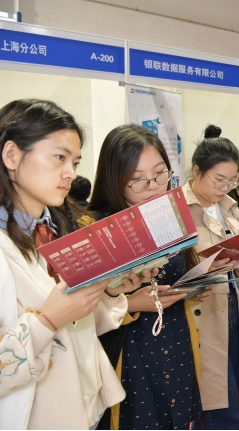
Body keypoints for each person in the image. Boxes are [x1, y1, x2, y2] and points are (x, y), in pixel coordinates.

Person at [0, 99, 147, 429]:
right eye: (59, 157)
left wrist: (110, 292)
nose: (70, 173)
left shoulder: (60, 229)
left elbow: (78, 327)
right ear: (11, 156)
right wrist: (48, 320)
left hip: (84, 405)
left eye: (75, 162)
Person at [89, 124, 205, 430]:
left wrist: (195, 286)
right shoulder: (96, 229)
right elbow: (82, 312)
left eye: (160, 173)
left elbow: (179, 271)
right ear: (115, 179)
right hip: (129, 348)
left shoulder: (169, 214)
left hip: (176, 336)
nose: (153, 186)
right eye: (138, 179)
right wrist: (129, 303)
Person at [183, 125, 239, 430]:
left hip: (233, 307)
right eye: (219, 180)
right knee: (217, 407)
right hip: (201, 314)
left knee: (228, 391)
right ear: (197, 171)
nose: (225, 187)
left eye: (232, 181)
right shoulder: (178, 209)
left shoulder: (228, 206)